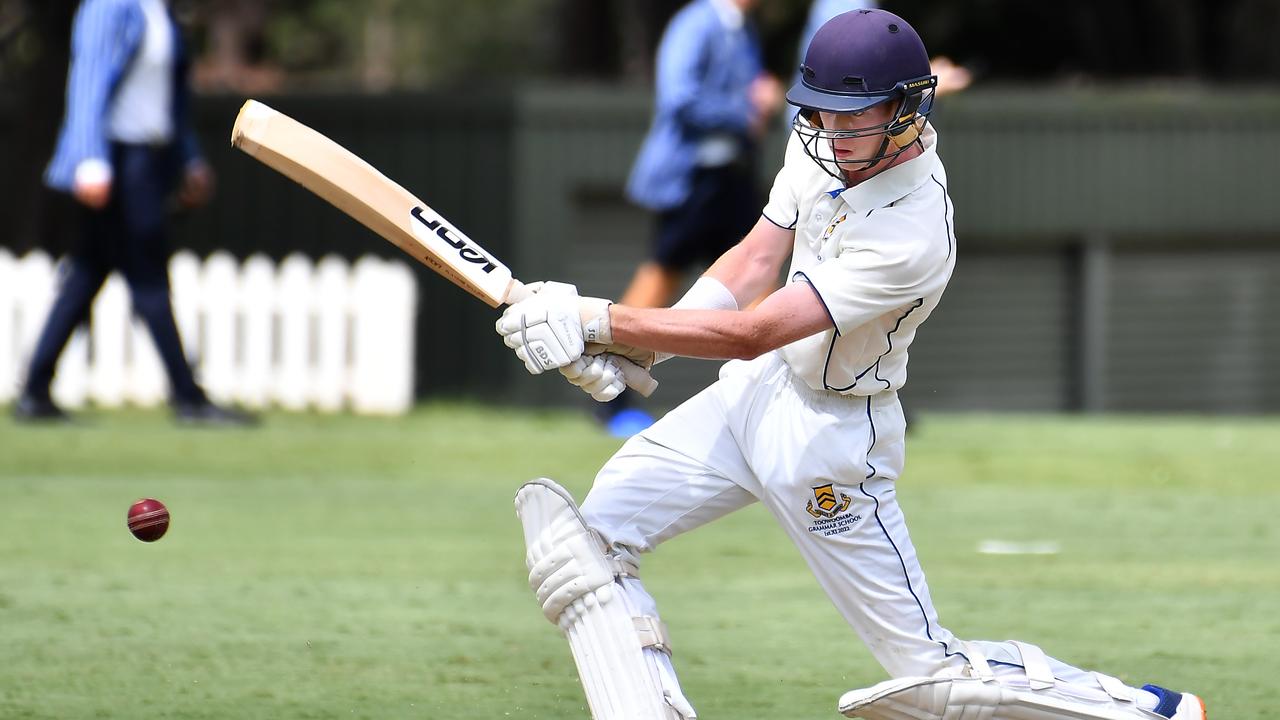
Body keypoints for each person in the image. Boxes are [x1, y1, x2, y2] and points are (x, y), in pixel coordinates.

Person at [496, 9, 1205, 720]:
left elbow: (757, 329)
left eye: (852, 118)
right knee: (583, 548)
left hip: (830, 444)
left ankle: (1148, 711)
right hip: (752, 395)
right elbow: (756, 258)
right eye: (822, 115)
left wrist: (597, 320)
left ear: (904, 110)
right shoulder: (825, 145)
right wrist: (649, 342)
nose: (832, 135)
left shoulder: (914, 230)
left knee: (934, 681)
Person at [14, 0, 252, 425]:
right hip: (116, 159)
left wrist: (189, 160)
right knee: (148, 274)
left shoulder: (159, 11)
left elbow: (169, 99)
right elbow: (88, 82)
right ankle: (188, 397)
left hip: (149, 156)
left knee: (86, 274)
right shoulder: (109, 6)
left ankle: (34, 390)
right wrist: (90, 160)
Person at [604, 0, 783, 437]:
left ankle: (777, 394)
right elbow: (679, 97)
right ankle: (609, 392)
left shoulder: (742, 29)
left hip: (731, 179)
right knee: (660, 278)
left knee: (759, 280)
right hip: (693, 183)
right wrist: (746, 110)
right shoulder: (697, 23)